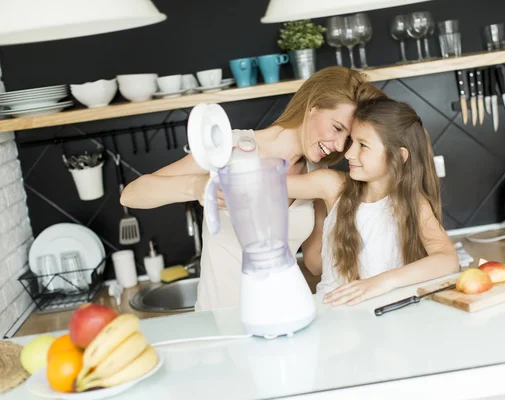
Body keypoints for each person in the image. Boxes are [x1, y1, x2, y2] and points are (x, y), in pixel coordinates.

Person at [120, 66, 387, 311]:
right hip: (223, 318)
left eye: (348, 138)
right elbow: (132, 193)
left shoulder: (317, 173)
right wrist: (198, 185)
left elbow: (316, 262)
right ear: (312, 107)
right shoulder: (231, 147)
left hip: (285, 314)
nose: (339, 146)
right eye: (337, 128)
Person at [285, 98, 459, 306]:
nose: (348, 153)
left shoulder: (413, 203)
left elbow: (448, 260)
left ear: (399, 156)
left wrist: (381, 282)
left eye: (363, 145)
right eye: (352, 142)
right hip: (335, 320)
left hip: (387, 320)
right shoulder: (332, 186)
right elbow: (261, 183)